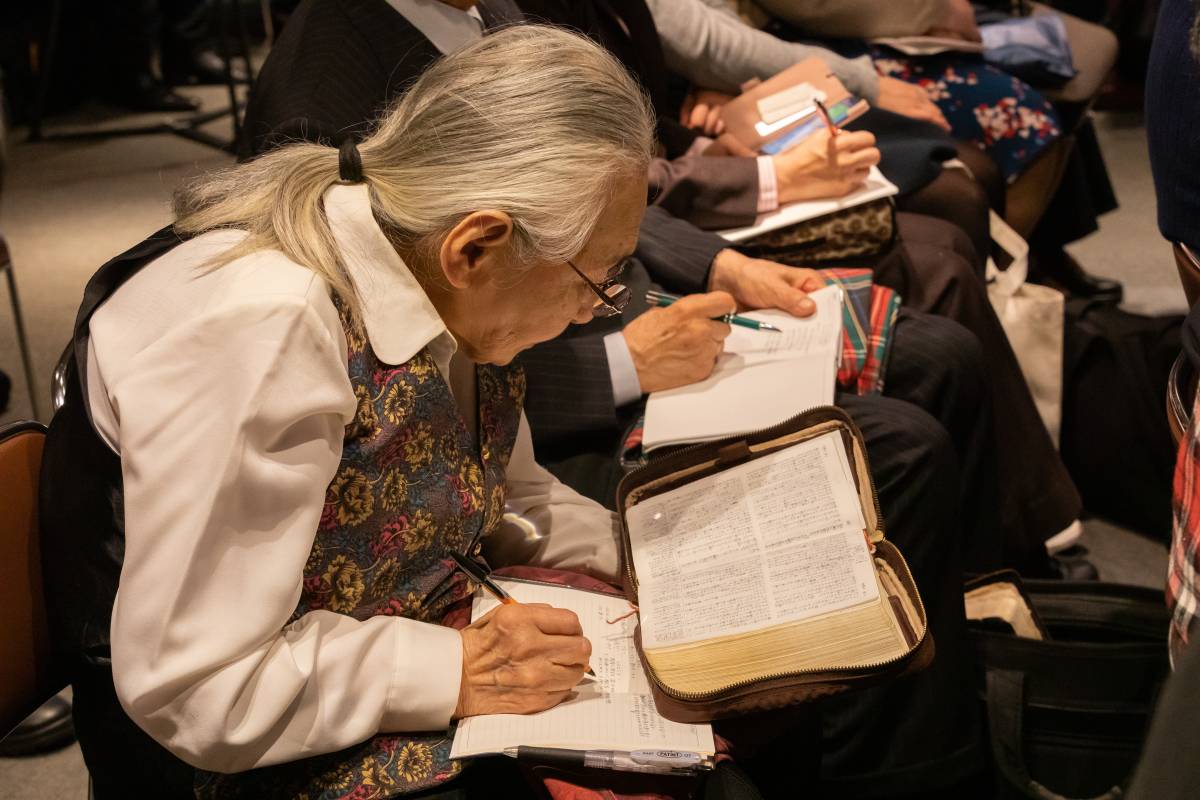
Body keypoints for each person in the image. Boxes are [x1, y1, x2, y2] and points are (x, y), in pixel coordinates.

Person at [43, 24, 984, 799]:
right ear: (477, 246)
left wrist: (661, 570)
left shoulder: (433, 273)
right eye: (597, 280)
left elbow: (509, 495)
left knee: (760, 700)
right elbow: (199, 687)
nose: (598, 309)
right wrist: (454, 670)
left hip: (382, 628)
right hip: (235, 750)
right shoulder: (262, 331)